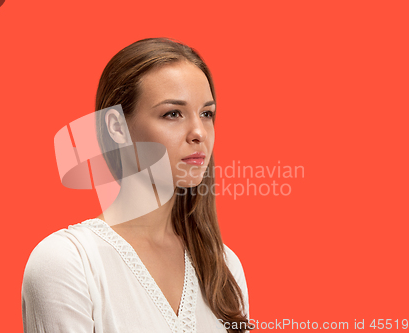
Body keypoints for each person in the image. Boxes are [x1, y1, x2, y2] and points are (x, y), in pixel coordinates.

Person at [21, 37, 251, 333]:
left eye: (207, 113)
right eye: (173, 113)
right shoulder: (68, 263)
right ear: (116, 127)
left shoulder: (224, 268)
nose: (199, 133)